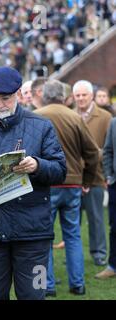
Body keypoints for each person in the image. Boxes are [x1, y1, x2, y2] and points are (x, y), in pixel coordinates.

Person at [0, 67, 66, 300]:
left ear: (18, 94)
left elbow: (60, 170)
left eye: (5, 99)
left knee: (34, 296)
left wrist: (37, 166)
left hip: (33, 233)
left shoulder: (41, 125)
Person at [35, 80, 99, 296]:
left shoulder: (37, 116)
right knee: (73, 235)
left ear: (44, 96)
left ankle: (46, 285)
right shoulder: (75, 118)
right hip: (72, 184)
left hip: (45, 184)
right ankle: (77, 284)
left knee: (43, 237)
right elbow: (92, 153)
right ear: (64, 97)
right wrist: (87, 181)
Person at [74, 80, 112, 266]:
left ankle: (98, 252)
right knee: (73, 220)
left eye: (84, 95)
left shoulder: (105, 117)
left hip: (96, 176)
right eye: (77, 95)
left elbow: (109, 148)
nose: (81, 98)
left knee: (96, 217)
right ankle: (74, 254)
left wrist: (94, 155)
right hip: (73, 177)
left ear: (91, 96)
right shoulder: (70, 115)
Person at [99, 117, 116, 279]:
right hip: (115, 184)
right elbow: (108, 150)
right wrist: (109, 176)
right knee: (114, 226)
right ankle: (113, 266)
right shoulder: (114, 122)